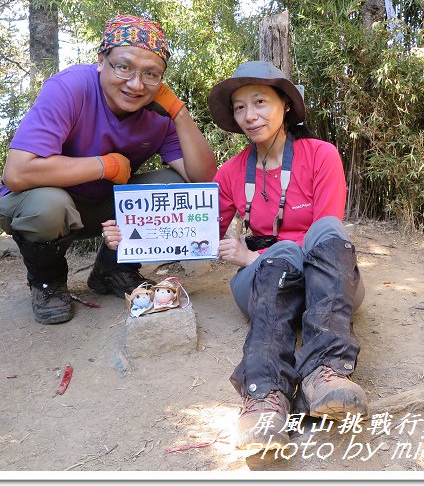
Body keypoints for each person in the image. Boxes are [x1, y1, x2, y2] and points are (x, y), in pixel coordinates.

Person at [104, 61, 367, 450]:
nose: (249, 115)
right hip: (263, 277)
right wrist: (132, 235)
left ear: (286, 107)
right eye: (240, 107)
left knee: (328, 231)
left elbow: (327, 234)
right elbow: (196, 233)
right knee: (275, 257)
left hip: (323, 279)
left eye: (260, 102)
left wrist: (255, 256)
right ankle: (264, 395)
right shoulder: (230, 173)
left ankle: (326, 374)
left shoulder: (320, 155)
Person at [0, 15, 217, 325]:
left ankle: (112, 269)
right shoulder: (70, 88)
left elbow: (202, 180)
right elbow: (17, 174)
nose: (136, 84)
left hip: (101, 209)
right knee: (49, 205)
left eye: (151, 74)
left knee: (171, 184)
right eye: (124, 67)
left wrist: (179, 113)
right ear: (101, 60)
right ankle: (46, 282)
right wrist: (106, 165)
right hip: (37, 206)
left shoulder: (159, 110)